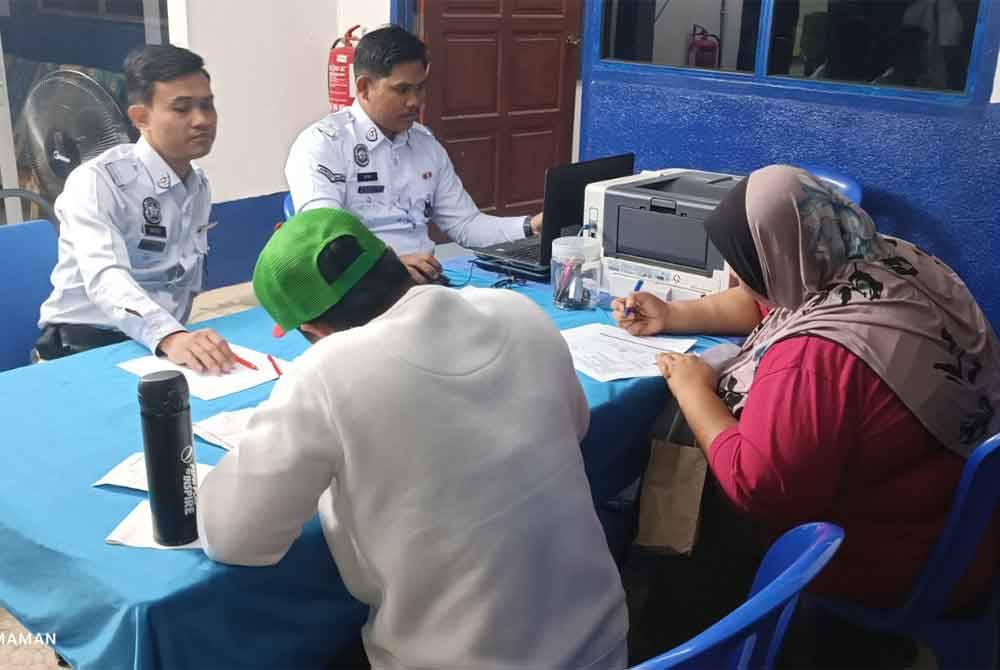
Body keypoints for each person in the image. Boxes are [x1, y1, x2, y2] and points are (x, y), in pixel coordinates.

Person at [197, 208, 628, 669]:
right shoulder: (517, 310)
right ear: (391, 260)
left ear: (312, 332)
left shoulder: (324, 373)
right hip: (604, 647)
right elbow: (576, 425)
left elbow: (235, 538)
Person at [613, 165, 1000, 612]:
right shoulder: (887, 259)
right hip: (953, 503)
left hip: (888, 545)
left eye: (742, 266)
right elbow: (768, 302)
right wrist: (673, 315)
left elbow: (756, 487)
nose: (737, 280)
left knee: (690, 484)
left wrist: (693, 388)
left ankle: (690, 626)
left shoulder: (815, 359)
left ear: (776, 261)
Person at [284, 26, 542, 285]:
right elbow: (327, 237)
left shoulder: (425, 145)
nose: (415, 102)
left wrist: (530, 226)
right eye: (402, 89)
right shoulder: (323, 144)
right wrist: (386, 264)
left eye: (420, 88)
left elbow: (466, 225)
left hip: (425, 284)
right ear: (364, 88)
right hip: (359, 287)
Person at [36, 45, 236, 374]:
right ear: (141, 117)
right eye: (182, 108)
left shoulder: (197, 183)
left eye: (207, 105)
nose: (201, 120)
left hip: (158, 344)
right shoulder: (97, 182)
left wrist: (176, 337)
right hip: (85, 348)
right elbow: (106, 277)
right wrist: (170, 336)